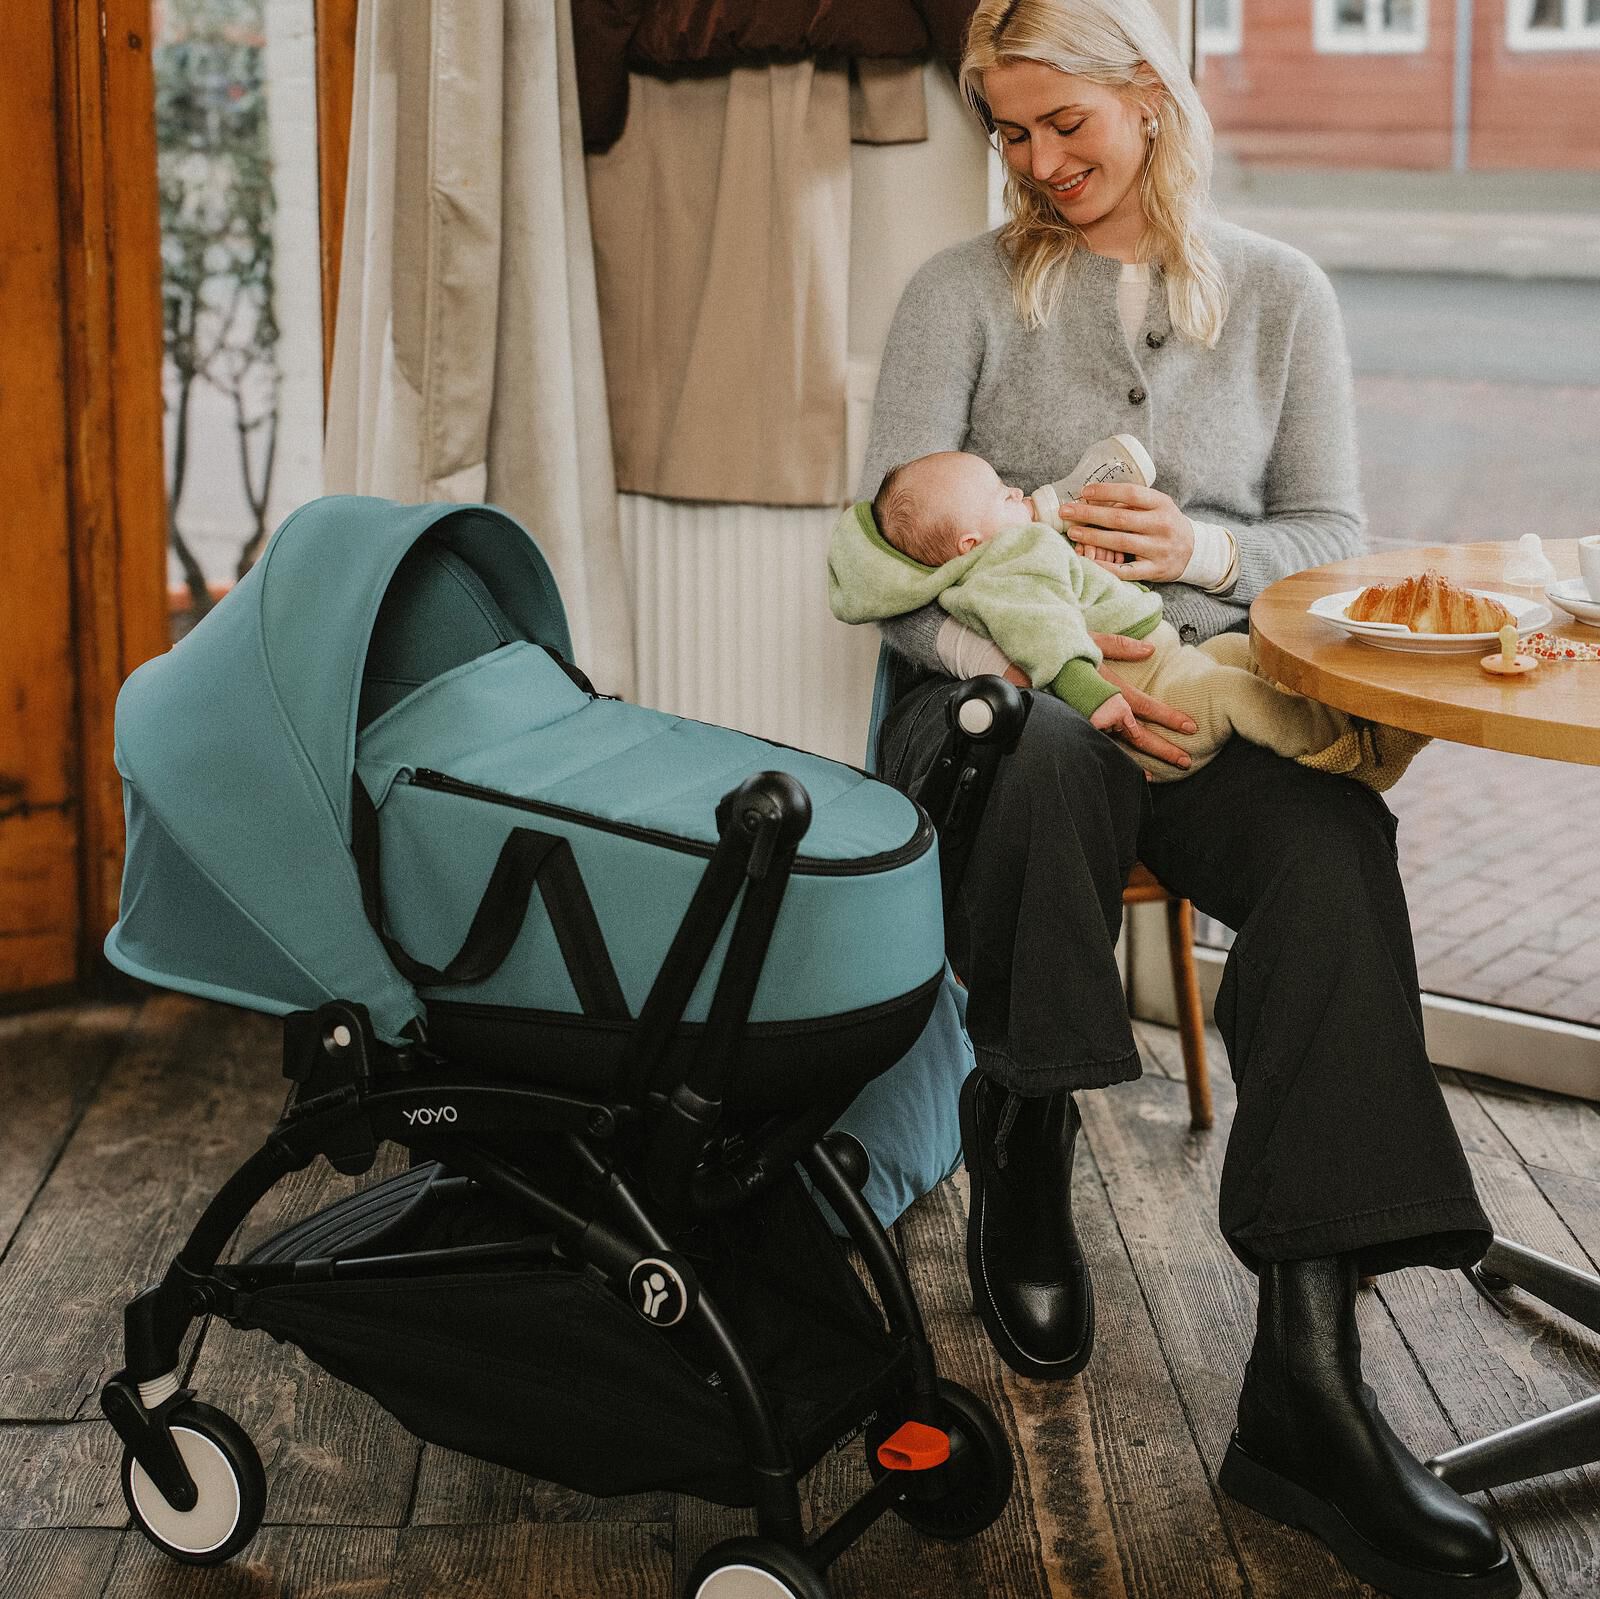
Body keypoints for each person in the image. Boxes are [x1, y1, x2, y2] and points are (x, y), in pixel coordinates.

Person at [849, 3, 1518, 1596]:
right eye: (1009, 132)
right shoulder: (958, 292)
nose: (1037, 161)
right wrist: (1034, 652)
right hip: (999, 710)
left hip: (1207, 703)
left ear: (1151, 97)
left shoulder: (1282, 296)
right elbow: (883, 560)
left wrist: (1204, 557)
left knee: (1335, 845)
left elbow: (1329, 537)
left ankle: (1306, 1377)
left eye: (1064, 123)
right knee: (1055, 751)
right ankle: (1026, 1120)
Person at [829, 447, 1423, 788]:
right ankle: (1339, 744)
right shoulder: (1014, 559)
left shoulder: (1005, 552)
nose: (1016, 490)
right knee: (1238, 691)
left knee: (1243, 655)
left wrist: (1200, 551)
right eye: (999, 494)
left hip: (1174, 657)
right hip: (1137, 697)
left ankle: (1339, 718)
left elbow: (1332, 534)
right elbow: (1045, 633)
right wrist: (1084, 689)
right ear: (969, 542)